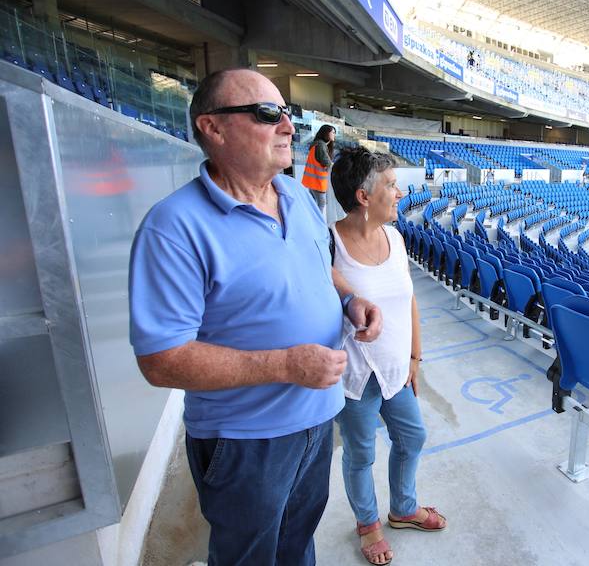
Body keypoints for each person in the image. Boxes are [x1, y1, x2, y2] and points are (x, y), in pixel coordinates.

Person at [129, 69, 383, 566]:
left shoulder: (296, 198)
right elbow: (161, 360)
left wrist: (350, 299)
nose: (288, 126)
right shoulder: (173, 228)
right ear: (214, 128)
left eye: (286, 113)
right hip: (246, 443)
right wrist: (285, 366)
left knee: (296, 546)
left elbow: (320, 267)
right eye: (268, 114)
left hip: (317, 420)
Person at [330, 147, 447, 566]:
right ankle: (368, 525)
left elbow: (410, 300)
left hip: (398, 371)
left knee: (412, 437)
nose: (400, 193)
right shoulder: (330, 246)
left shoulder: (395, 238)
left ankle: (402, 509)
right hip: (357, 379)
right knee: (361, 454)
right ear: (364, 197)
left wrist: (415, 358)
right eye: (392, 185)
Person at [303, 124, 336, 217]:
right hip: (318, 182)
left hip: (311, 181)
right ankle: (318, 223)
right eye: (332, 132)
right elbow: (327, 162)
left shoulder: (316, 144)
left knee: (314, 204)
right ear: (326, 133)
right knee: (321, 204)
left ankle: (311, 221)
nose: (334, 135)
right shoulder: (321, 145)